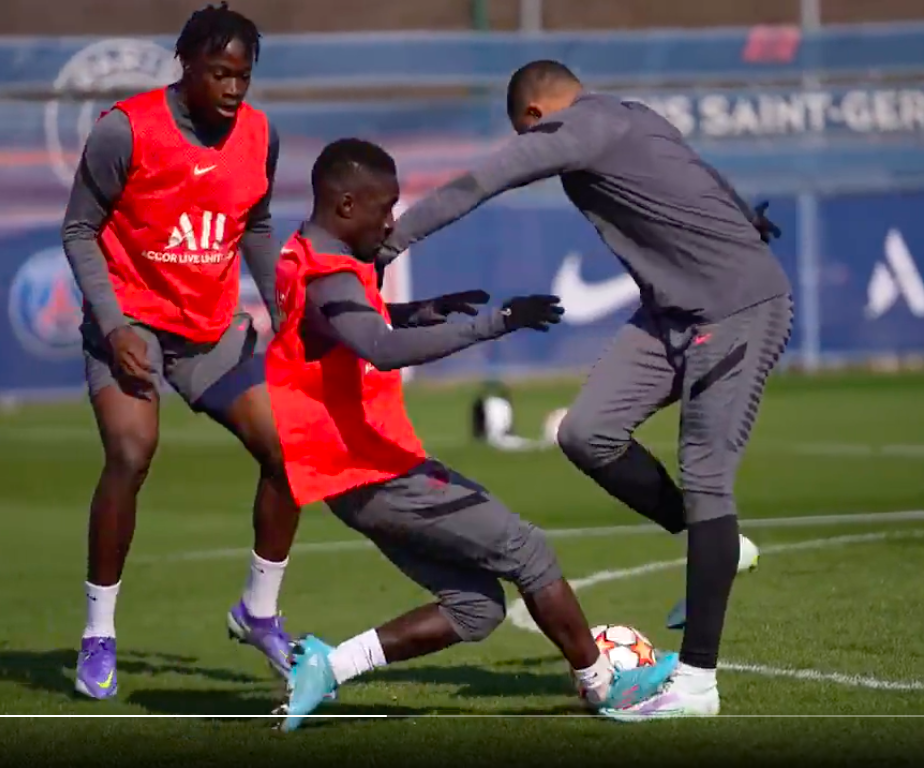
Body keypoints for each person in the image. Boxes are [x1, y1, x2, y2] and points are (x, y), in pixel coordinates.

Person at [373, 61, 793, 719]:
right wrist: (745, 214)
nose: (529, 147)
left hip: (733, 307)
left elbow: (480, 182)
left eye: (525, 134)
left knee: (707, 476)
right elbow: (701, 171)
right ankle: (718, 543)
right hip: (670, 313)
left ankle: (696, 685)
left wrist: (385, 244)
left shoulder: (579, 127)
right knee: (585, 432)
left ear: (535, 117)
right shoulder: (633, 115)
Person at [262, 138, 678, 731]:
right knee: (530, 553)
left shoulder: (302, 255)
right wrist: (496, 324)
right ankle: (602, 683)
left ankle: (328, 668)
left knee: (476, 608)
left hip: (348, 476)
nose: (393, 221)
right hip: (375, 471)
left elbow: (337, 328)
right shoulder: (329, 275)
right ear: (347, 205)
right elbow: (377, 348)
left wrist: (416, 310)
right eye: (386, 208)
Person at [61, 2, 299, 699]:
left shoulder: (259, 135)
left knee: (290, 454)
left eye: (244, 76)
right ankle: (98, 634)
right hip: (129, 327)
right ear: (186, 65)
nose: (232, 89)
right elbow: (79, 231)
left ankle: (258, 612)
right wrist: (113, 326)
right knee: (132, 452)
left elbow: (255, 221)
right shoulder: (125, 131)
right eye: (220, 73)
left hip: (212, 334)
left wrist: (280, 299)